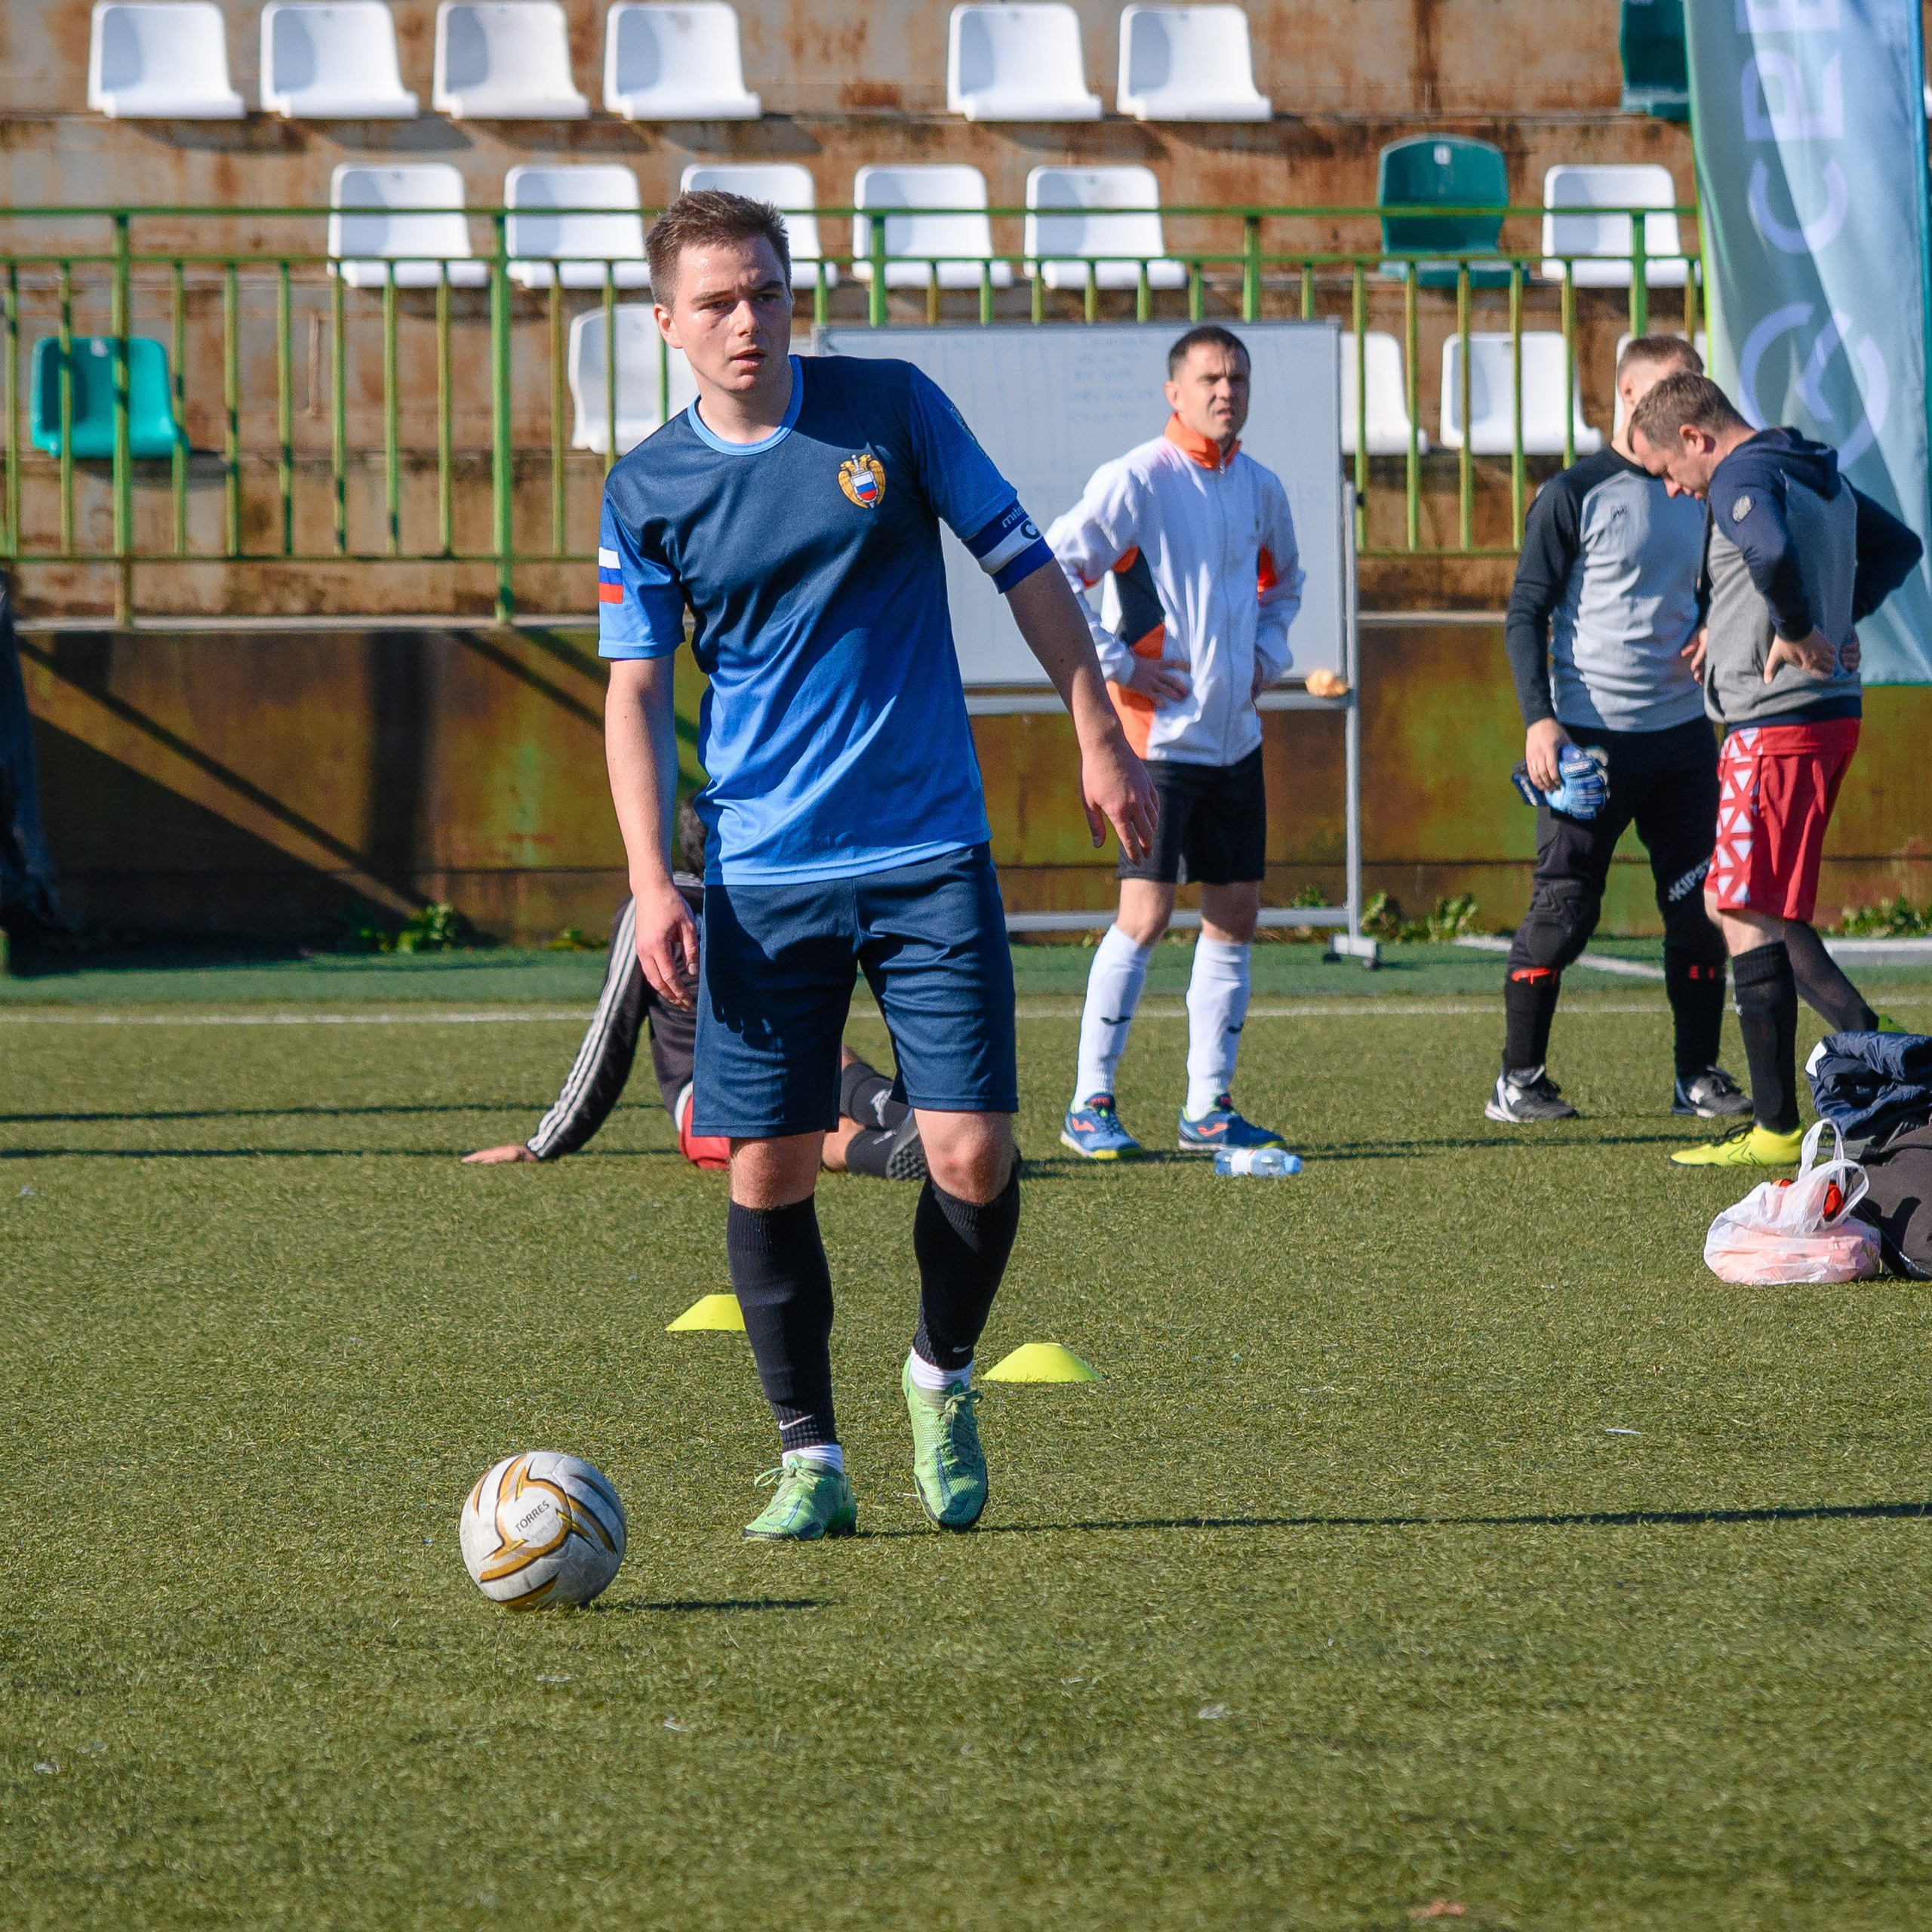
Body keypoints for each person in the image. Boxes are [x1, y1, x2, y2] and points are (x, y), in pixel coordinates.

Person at [598, 191, 1155, 1540]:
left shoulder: (894, 408)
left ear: (797, 294)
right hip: (759, 875)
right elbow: (631, 695)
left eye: (769, 292)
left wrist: (1097, 735)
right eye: (718, 302)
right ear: (667, 322)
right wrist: (652, 883)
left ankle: (940, 1375)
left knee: (971, 1155)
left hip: (925, 854)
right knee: (768, 1169)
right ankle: (813, 1462)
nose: (749, 320)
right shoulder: (648, 487)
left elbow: (1027, 567)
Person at [1629, 370, 1922, 1166]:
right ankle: (1872, 1048)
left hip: (1776, 724)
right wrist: (1835, 613)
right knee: (1756, 903)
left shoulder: (1740, 474)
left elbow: (1766, 545)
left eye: (1668, 470)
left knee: (1739, 904)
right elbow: (1898, 544)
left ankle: (1778, 1125)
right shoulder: (1807, 465)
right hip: (1819, 716)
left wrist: (1799, 623)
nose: (1677, 489)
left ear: (1695, 437)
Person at [1047, 324, 1302, 1160]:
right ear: (1175, 392)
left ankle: (1208, 1110)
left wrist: (1266, 656)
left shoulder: (1260, 486)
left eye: (1236, 378)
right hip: (1157, 743)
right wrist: (1119, 662)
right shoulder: (1138, 479)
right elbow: (1057, 565)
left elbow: (1283, 581)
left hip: (1236, 740)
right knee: (1146, 913)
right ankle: (1090, 1103)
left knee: (1233, 915)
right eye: (1209, 379)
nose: (1225, 391)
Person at [1487, 334, 1749, 1126]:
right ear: (1630, 396)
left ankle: (1696, 1076)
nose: (1690, 404)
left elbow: (1706, 587)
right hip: (1587, 741)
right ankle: (1518, 1079)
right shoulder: (1571, 493)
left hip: (1680, 740)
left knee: (1703, 909)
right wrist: (1539, 720)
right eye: (1674, 388)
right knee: (1564, 911)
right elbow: (1524, 611)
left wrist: (1708, 628)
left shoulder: (1696, 487)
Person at [462, 805, 926, 1180]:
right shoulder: (710, 907)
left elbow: (610, 1035)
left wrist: (540, 1146)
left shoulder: (695, 908)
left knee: (801, 1105)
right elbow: (613, 1034)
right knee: (808, 1095)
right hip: (742, 1082)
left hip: (735, 1085)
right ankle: (897, 1127)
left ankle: (892, 1136)